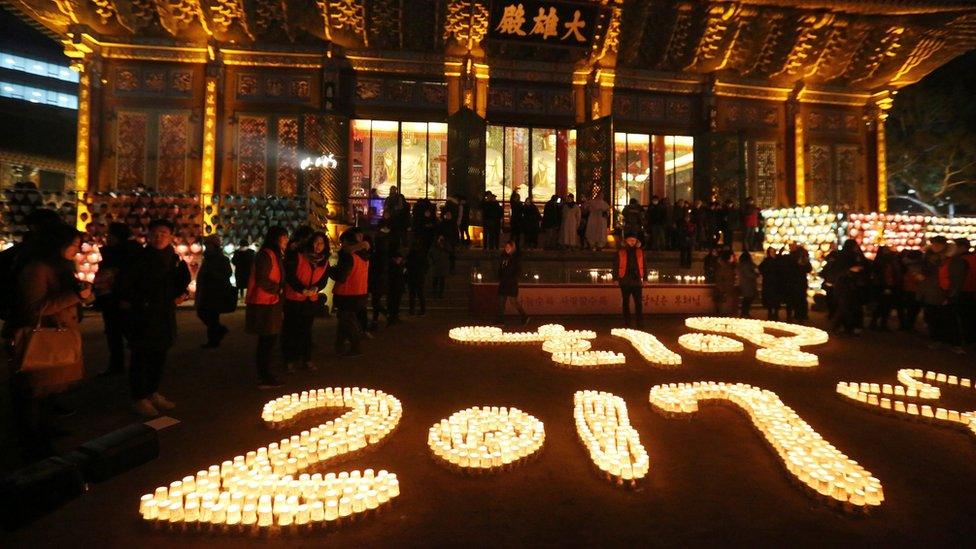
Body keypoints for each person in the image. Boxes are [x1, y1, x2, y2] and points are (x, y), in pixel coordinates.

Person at [8, 224, 92, 459]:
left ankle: (45, 432)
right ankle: (33, 446)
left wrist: (85, 293)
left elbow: (69, 297)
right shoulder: (36, 269)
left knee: (49, 393)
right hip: (41, 338)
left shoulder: (61, 267)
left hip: (58, 335)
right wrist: (74, 295)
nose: (76, 251)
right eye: (73, 245)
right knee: (34, 394)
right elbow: (34, 309)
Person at [117, 219, 191, 415]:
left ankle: (152, 391)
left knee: (159, 355)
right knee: (141, 356)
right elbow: (127, 286)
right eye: (155, 233)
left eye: (164, 233)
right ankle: (139, 397)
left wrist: (181, 294)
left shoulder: (174, 259)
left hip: (164, 315)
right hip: (143, 315)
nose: (159, 237)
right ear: (149, 236)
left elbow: (182, 281)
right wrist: (140, 302)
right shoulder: (138, 259)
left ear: (171, 236)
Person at [93, 222, 141, 375]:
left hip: (121, 298)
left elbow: (130, 277)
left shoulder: (125, 253)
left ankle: (135, 365)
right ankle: (117, 364)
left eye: (110, 235)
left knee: (126, 332)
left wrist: (128, 296)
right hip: (110, 297)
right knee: (114, 333)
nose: (107, 238)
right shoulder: (113, 252)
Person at [245, 226, 288, 389]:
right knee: (267, 340)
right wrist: (277, 289)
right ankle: (264, 376)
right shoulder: (267, 255)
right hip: (265, 303)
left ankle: (266, 374)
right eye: (284, 237)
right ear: (277, 238)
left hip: (271, 302)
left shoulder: (274, 254)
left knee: (269, 340)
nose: (286, 241)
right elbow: (262, 278)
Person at [281, 231, 330, 371]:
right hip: (294, 298)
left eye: (321, 243)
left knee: (306, 330)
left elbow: (323, 280)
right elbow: (290, 276)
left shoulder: (324, 262)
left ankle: (306, 359)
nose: (318, 246)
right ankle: (289, 359)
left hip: (310, 299)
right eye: (315, 242)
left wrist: (316, 288)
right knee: (290, 329)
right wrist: (301, 289)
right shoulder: (299, 256)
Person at [330, 228, 371, 357]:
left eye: (342, 243)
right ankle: (339, 346)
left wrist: (329, 270)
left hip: (346, 293)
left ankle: (355, 347)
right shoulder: (363, 256)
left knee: (347, 321)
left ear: (347, 241)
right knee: (345, 321)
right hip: (360, 292)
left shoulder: (349, 256)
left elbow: (342, 276)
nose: (342, 245)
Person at [194, 234, 234, 349]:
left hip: (215, 292)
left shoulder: (222, 259)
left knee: (211, 316)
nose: (207, 246)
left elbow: (227, 274)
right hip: (206, 291)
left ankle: (213, 340)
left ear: (214, 245)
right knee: (204, 314)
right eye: (206, 244)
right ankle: (219, 331)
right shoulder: (207, 257)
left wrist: (213, 275)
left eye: (208, 244)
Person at [940, 237, 973, 353]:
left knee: (958, 318)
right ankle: (968, 341)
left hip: (961, 292)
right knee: (968, 318)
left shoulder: (958, 260)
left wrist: (950, 295)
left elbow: (957, 280)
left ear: (962, 247)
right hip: (968, 292)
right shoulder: (968, 258)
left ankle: (957, 343)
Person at [614, 233, 646, 327]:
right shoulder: (620, 252)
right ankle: (627, 322)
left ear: (636, 241)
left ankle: (639, 322)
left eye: (634, 240)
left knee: (638, 302)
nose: (632, 242)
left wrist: (645, 278)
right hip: (625, 279)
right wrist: (616, 278)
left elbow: (644, 265)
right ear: (626, 241)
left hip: (636, 280)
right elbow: (615, 265)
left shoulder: (640, 251)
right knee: (625, 302)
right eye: (630, 240)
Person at [497, 240, 529, 326]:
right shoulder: (503, 256)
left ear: (512, 248)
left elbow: (516, 270)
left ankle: (524, 316)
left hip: (511, 283)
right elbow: (501, 268)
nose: (507, 249)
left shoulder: (515, 258)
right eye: (506, 247)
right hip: (504, 282)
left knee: (513, 301)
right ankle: (500, 319)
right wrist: (500, 275)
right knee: (501, 301)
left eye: (509, 247)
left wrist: (508, 275)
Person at [869, 246, 901, 331]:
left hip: (890, 285)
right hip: (882, 286)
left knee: (887, 306)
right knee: (881, 306)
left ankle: (882, 323)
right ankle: (875, 323)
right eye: (885, 250)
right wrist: (885, 286)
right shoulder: (880, 262)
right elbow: (879, 275)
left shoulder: (891, 261)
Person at [368, 220, 393, 327]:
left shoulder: (378, 254)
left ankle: (380, 317)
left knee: (376, 301)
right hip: (381, 279)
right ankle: (378, 318)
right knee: (376, 301)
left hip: (378, 279)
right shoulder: (384, 252)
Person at [786, 245, 812, 322]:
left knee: (791, 299)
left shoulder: (791, 257)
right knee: (801, 299)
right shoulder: (804, 259)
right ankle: (799, 315)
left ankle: (790, 315)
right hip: (801, 281)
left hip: (792, 281)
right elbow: (809, 269)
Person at [759, 247, 784, 320]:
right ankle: (770, 312)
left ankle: (776, 313)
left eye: (773, 251)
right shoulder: (766, 261)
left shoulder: (778, 260)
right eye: (771, 252)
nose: (772, 253)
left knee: (776, 299)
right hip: (769, 283)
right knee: (769, 298)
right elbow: (761, 268)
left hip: (777, 283)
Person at [713, 249, 738, 316]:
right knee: (724, 312)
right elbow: (719, 280)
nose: (734, 257)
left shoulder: (730, 267)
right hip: (724, 293)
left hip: (729, 291)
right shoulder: (723, 267)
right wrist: (723, 291)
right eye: (732, 256)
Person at [407, 240, 428, 315]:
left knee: (412, 295)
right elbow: (426, 265)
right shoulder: (422, 254)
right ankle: (422, 310)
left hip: (412, 276)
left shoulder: (410, 255)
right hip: (419, 276)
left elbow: (407, 265)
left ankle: (412, 310)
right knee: (420, 295)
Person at [387, 251, 406, 325]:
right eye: (399, 260)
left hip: (397, 287)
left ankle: (394, 318)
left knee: (395, 304)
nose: (400, 261)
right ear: (395, 259)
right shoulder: (394, 266)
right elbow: (395, 277)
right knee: (394, 304)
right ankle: (393, 318)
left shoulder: (397, 266)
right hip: (395, 288)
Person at [737, 251, 758, 317]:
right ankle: (744, 312)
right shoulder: (746, 265)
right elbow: (749, 274)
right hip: (748, 284)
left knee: (747, 298)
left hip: (745, 284)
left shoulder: (742, 264)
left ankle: (745, 312)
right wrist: (755, 275)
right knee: (747, 299)